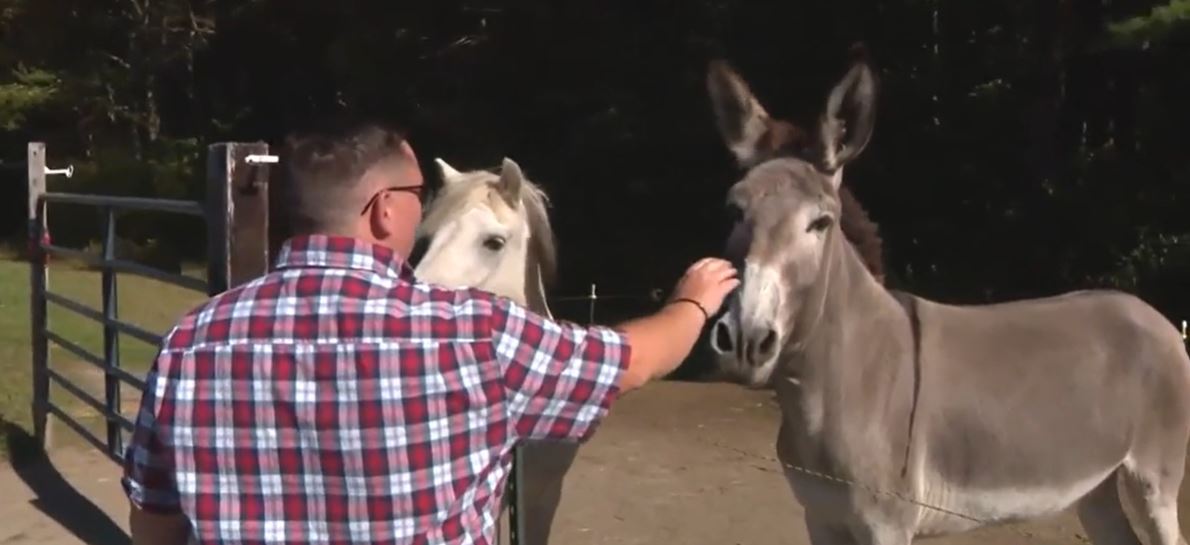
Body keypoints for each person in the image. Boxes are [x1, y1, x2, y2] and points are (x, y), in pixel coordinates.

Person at [121, 121, 739, 545]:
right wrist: (693, 300)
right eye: (419, 195)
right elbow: (632, 361)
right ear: (385, 209)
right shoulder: (477, 337)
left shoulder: (193, 340)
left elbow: (152, 524)